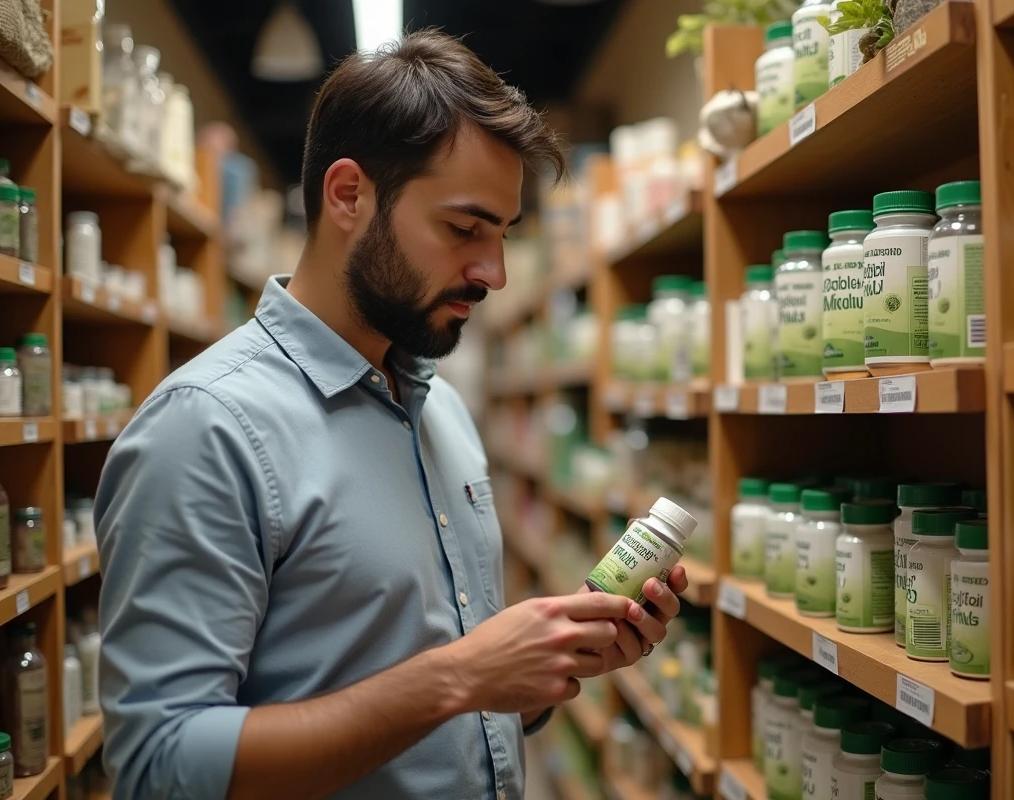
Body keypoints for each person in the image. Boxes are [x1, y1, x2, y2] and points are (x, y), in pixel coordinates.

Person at [94, 30, 689, 800]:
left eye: (503, 234)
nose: (494, 273)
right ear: (348, 195)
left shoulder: (442, 412)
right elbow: (158, 767)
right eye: (464, 228)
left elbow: (466, 711)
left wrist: (543, 669)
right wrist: (463, 675)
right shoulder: (205, 430)